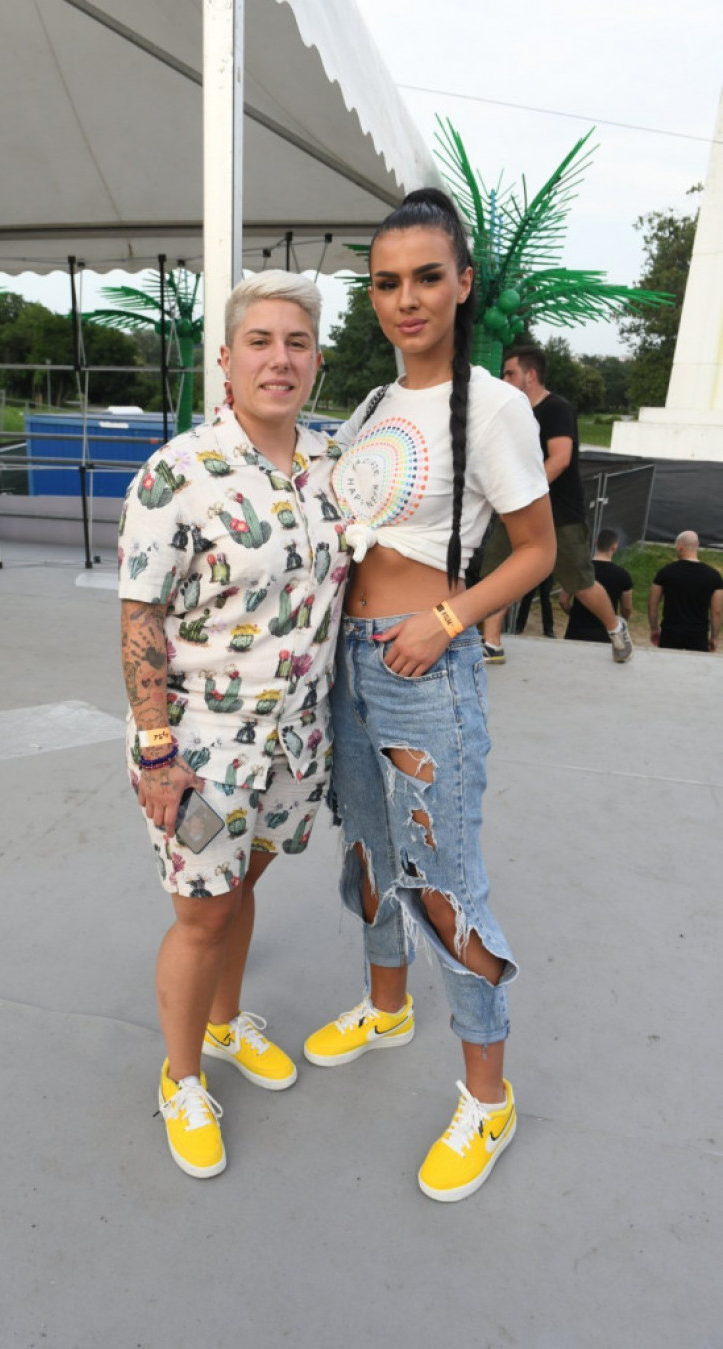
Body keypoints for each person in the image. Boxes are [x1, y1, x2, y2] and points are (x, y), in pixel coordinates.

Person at [303, 189, 556, 1201]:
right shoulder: (371, 407)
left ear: (462, 284)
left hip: (423, 666)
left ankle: (488, 1096)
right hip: (349, 663)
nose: (405, 299)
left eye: (425, 278)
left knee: (445, 883)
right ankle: (386, 1005)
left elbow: (535, 551)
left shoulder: (493, 407)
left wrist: (446, 620)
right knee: (367, 848)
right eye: (386, 283)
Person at [118, 271, 349, 1179]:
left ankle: (223, 1023)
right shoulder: (178, 472)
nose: (278, 359)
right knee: (202, 914)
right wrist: (156, 750)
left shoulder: (334, 464)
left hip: (295, 740)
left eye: (297, 342)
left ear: (317, 360)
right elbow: (140, 618)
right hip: (200, 747)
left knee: (242, 883)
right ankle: (181, 1077)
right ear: (225, 357)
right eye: (260, 341)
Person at [479, 346, 633, 666]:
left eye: (510, 373)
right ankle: (492, 644)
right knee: (496, 574)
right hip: (516, 510)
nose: (504, 379)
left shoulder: (556, 409)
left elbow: (560, 459)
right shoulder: (512, 413)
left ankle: (615, 627)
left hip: (559, 513)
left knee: (579, 582)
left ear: (531, 376)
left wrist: (522, 494)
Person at [648, 530, 723, 651]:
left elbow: (652, 605)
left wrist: (654, 629)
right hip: (698, 636)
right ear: (697, 545)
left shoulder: (666, 572)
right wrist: (714, 637)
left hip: (670, 633)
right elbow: (717, 611)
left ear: (680, 547)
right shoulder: (713, 576)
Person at [561, 527, 633, 642]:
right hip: (605, 633)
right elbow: (627, 608)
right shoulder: (622, 575)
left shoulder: (579, 570)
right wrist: (619, 622)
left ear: (596, 542)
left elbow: (564, 600)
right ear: (614, 547)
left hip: (576, 630)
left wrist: (574, 615)